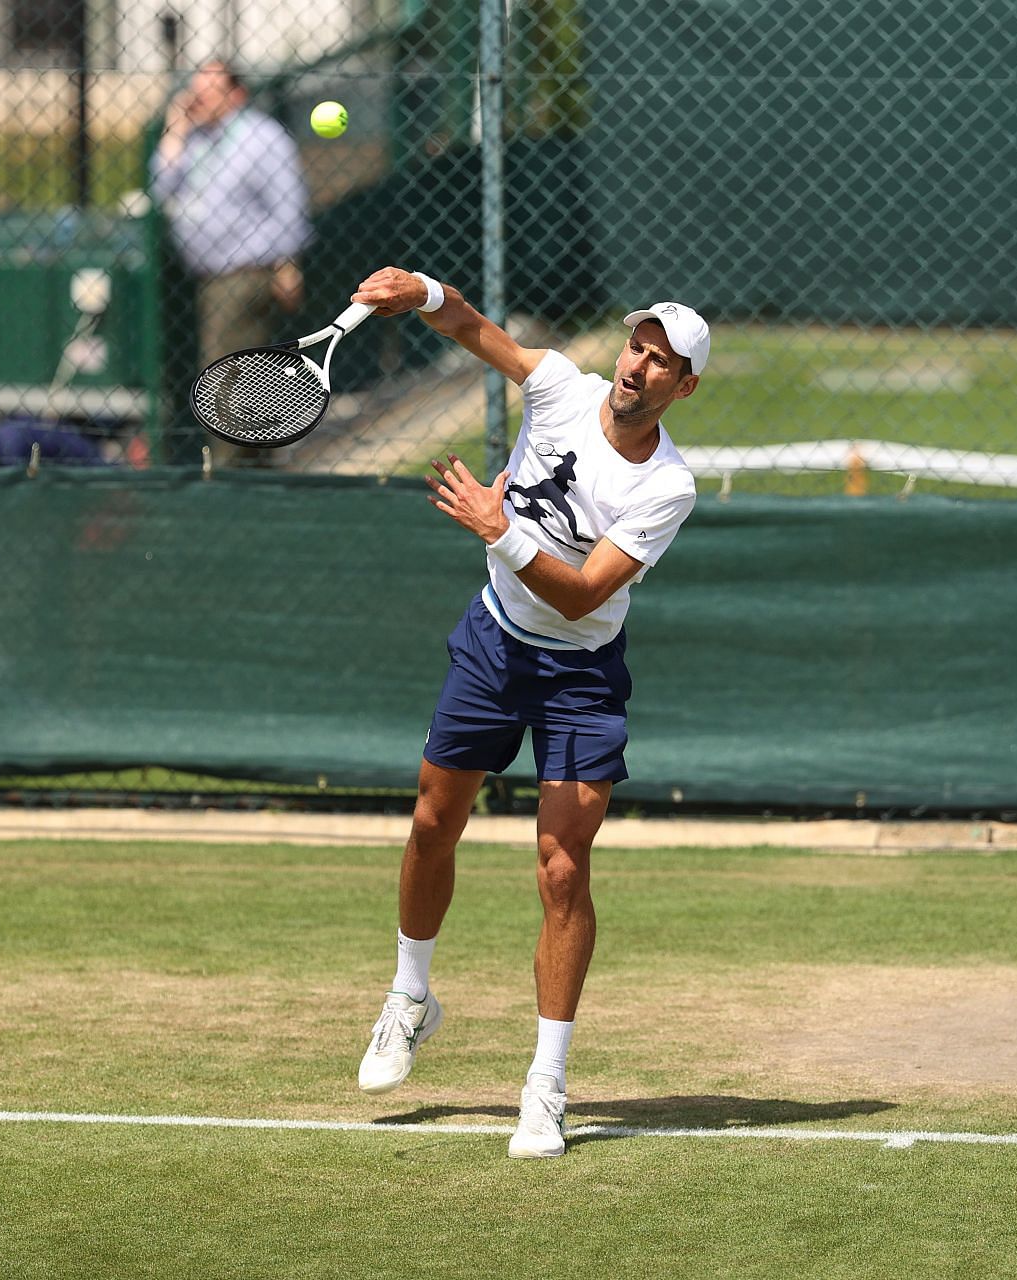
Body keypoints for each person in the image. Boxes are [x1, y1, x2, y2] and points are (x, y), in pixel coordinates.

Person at [346, 265, 707, 1159]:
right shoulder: (560, 390)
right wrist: (420, 290)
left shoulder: (668, 488)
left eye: (661, 364)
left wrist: (495, 526)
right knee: (434, 821)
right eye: (636, 347)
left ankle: (545, 1086)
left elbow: (584, 596)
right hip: (495, 641)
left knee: (560, 868)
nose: (637, 368)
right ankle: (410, 997)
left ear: (683, 387)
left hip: (580, 673)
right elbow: (475, 330)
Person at [148, 58, 311, 466]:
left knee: (225, 376)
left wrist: (288, 265)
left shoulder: (261, 137)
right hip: (206, 276)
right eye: (196, 88)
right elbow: (161, 188)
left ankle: (228, 471)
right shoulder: (195, 138)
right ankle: (254, 465)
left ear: (236, 94)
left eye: (210, 90)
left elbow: (289, 205)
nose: (198, 97)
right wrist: (175, 130)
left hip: (246, 273)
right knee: (239, 377)